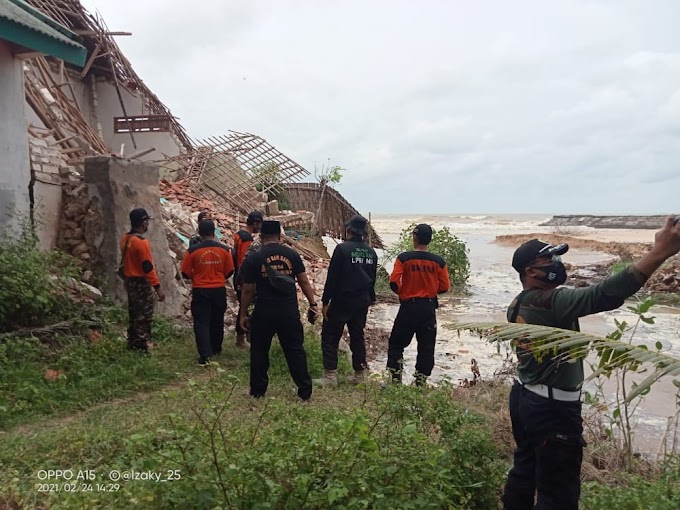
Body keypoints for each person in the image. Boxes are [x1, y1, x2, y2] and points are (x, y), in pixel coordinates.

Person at [502, 215, 680, 510]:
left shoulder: (518, 303)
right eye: (551, 261)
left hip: (524, 397)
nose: (559, 266)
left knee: (525, 470)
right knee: (558, 493)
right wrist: (660, 251)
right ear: (531, 270)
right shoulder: (551, 302)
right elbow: (605, 295)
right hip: (552, 410)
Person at [239, 220, 317, 401]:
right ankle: (305, 390)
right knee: (295, 350)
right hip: (288, 311)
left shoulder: (255, 257)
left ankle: (258, 391)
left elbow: (248, 289)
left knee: (259, 351)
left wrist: (243, 313)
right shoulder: (292, 255)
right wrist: (313, 303)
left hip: (264, 311)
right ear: (280, 236)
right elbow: (304, 281)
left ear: (261, 235)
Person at [316, 215, 378, 386]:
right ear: (363, 234)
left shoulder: (342, 250)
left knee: (330, 336)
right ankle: (359, 374)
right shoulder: (371, 252)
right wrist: (370, 299)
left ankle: (330, 376)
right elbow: (372, 278)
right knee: (357, 336)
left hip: (342, 300)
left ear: (349, 230)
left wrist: (325, 301)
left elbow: (333, 277)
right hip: (362, 301)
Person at [386, 224, 450, 386]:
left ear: (415, 237)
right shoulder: (439, 261)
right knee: (426, 346)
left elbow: (394, 281)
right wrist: (430, 291)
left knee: (396, 343)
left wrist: (403, 292)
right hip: (428, 308)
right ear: (430, 239)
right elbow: (445, 287)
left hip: (408, 307)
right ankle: (420, 382)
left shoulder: (404, 258)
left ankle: (395, 381)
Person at [181, 220, 235, 366]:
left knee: (201, 322)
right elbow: (230, 270)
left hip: (200, 289)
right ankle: (216, 348)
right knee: (217, 319)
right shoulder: (224, 250)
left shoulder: (192, 251)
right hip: (219, 288)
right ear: (214, 232)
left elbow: (185, 272)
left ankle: (205, 355)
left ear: (199, 232)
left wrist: (197, 276)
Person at [119, 208, 166, 353]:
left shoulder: (125, 239)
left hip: (129, 281)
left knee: (134, 312)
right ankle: (141, 344)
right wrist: (158, 288)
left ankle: (132, 342)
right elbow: (147, 267)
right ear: (143, 222)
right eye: (146, 221)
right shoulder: (141, 242)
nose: (147, 225)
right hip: (140, 281)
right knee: (144, 315)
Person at [232, 211, 264, 348]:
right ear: (255, 223)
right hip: (243, 278)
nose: (260, 227)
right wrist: (244, 280)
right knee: (247, 309)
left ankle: (242, 338)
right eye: (260, 224)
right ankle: (245, 339)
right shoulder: (247, 240)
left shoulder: (239, 234)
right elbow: (244, 261)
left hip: (238, 276)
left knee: (244, 308)